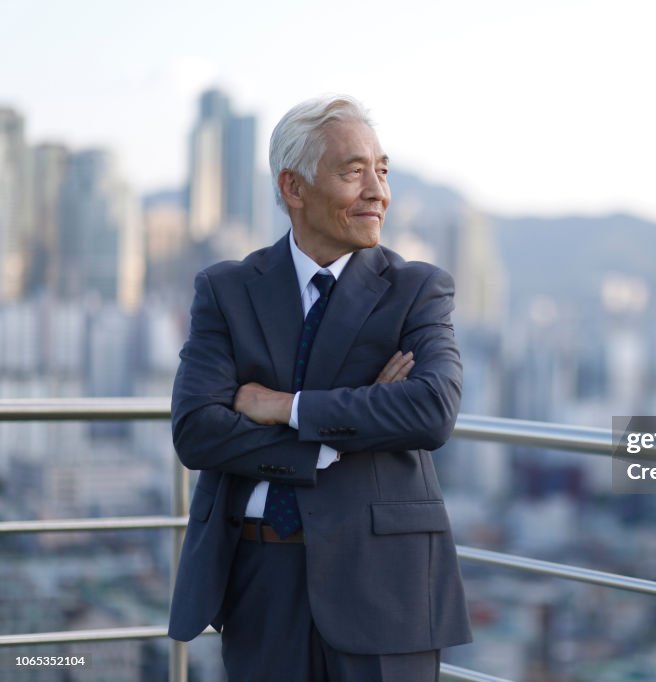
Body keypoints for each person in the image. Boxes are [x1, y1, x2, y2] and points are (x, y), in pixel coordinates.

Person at [167, 95, 472, 681]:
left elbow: (431, 411)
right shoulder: (227, 290)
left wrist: (283, 407)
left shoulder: (417, 289)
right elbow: (197, 430)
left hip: (385, 584)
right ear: (294, 188)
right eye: (353, 171)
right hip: (258, 577)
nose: (378, 191)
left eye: (382, 171)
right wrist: (344, 431)